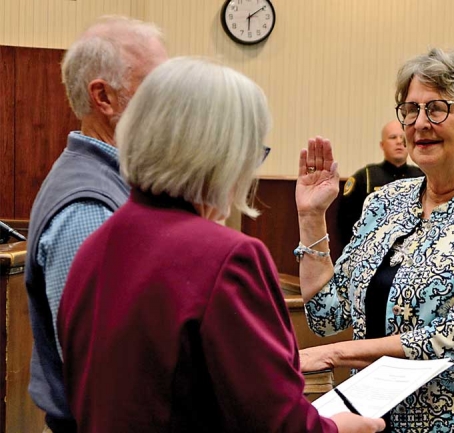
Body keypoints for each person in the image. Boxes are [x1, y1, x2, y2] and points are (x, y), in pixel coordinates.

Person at [56, 57, 386, 433]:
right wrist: (340, 428)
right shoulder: (227, 257)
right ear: (222, 154)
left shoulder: (97, 242)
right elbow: (276, 423)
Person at [294, 48, 454, 432]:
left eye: (437, 108)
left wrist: (336, 353)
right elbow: (327, 315)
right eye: (411, 110)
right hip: (373, 419)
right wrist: (311, 216)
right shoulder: (384, 202)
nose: (420, 123)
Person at [25, 16, 168, 433]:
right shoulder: (88, 205)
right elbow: (103, 371)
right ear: (104, 97)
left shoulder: (114, 182)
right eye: (156, 90)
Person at [338, 120, 423, 246]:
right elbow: (346, 222)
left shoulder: (422, 176)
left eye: (402, 137)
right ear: (382, 145)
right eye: (393, 137)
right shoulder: (365, 177)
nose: (399, 142)